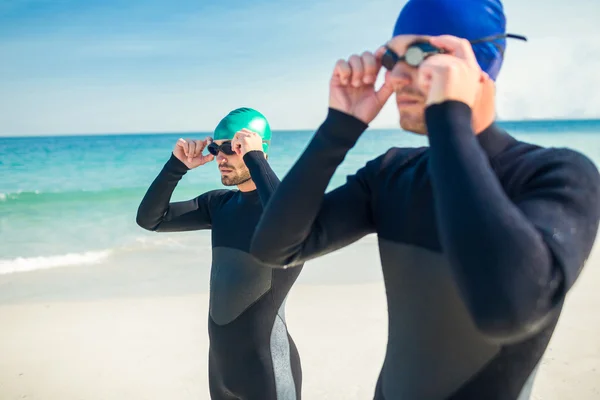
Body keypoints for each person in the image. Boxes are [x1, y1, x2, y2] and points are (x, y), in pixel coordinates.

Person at [249, 0, 600, 399]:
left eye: (419, 55)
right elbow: (275, 247)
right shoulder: (392, 174)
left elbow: (508, 309)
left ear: (478, 62)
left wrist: (449, 112)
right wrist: (339, 128)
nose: (397, 77)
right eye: (391, 58)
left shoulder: (558, 175)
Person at [136, 107, 303, 400]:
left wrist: (255, 158)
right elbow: (151, 219)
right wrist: (176, 166)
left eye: (233, 148)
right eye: (216, 148)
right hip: (221, 373)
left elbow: (285, 219)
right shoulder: (220, 205)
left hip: (268, 375)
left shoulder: (289, 211)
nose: (220, 158)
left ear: (259, 149)